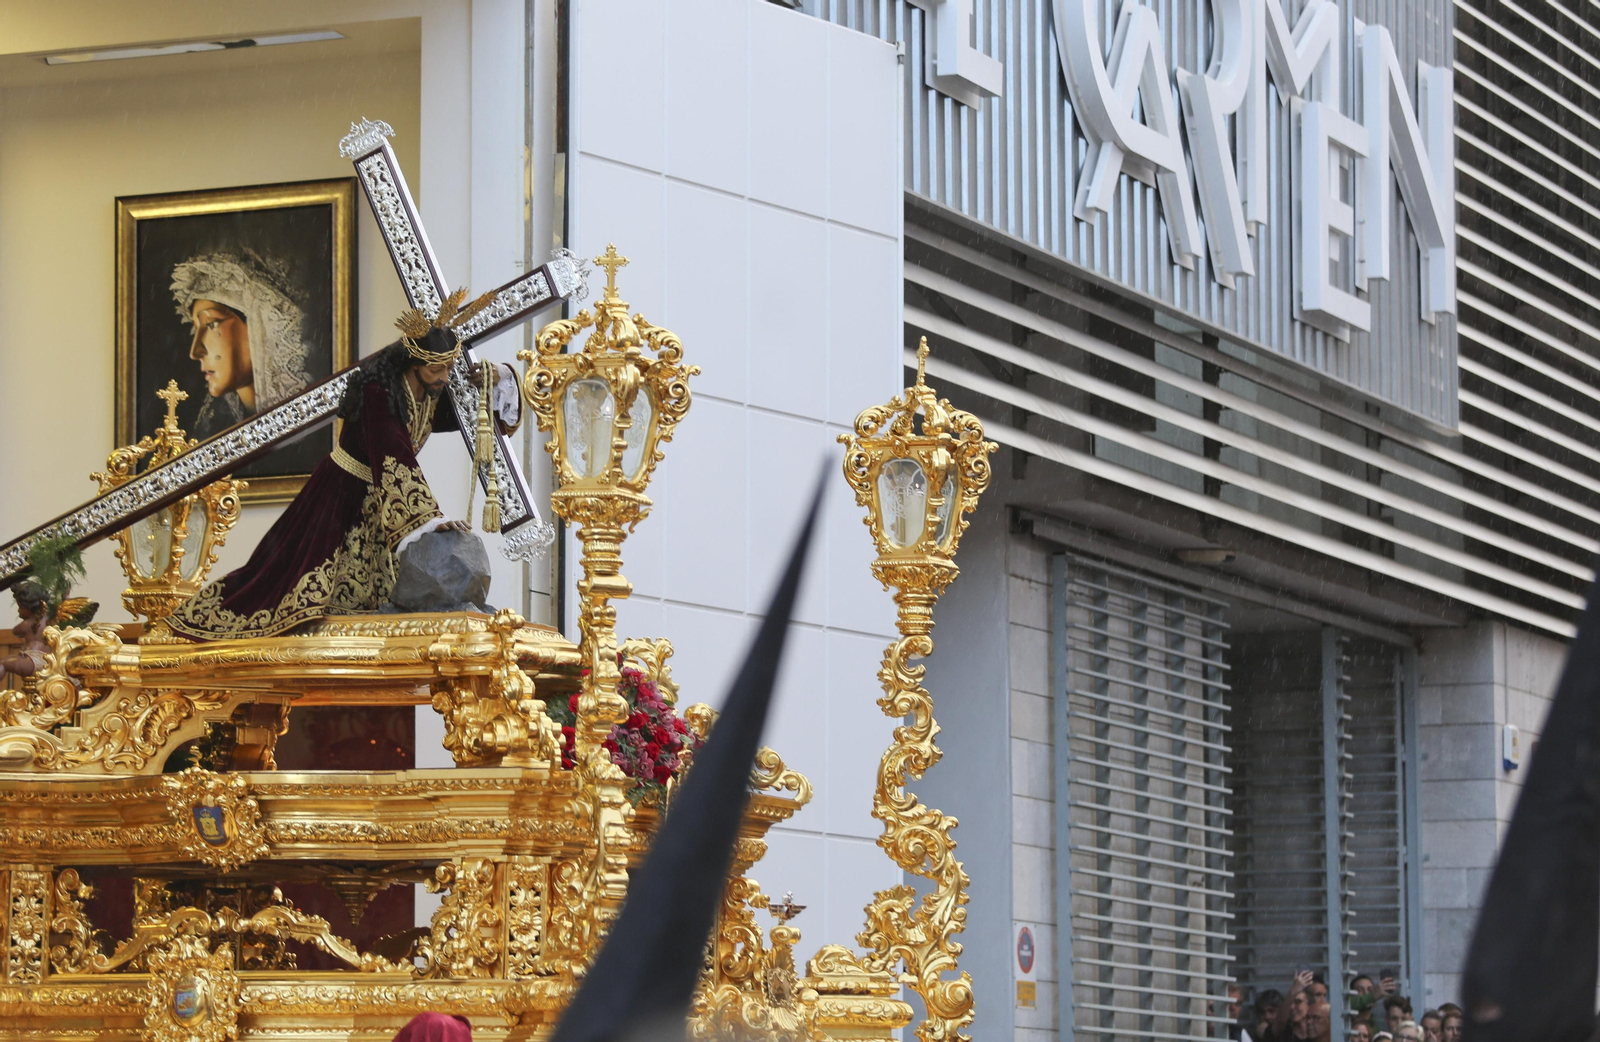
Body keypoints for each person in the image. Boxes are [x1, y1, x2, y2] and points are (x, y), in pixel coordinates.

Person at [169, 290, 521, 641]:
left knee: (374, 599)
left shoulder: (427, 393)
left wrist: (498, 377)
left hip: (378, 504)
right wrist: (428, 520)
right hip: (341, 497)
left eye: (448, 367)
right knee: (290, 583)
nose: (445, 377)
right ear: (413, 361)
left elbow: (475, 418)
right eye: (436, 368)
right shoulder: (378, 391)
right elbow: (393, 452)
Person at [170, 249, 312, 440]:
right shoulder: (213, 428)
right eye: (196, 329)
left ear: (260, 326)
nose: (196, 352)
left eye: (211, 324)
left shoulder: (305, 422)